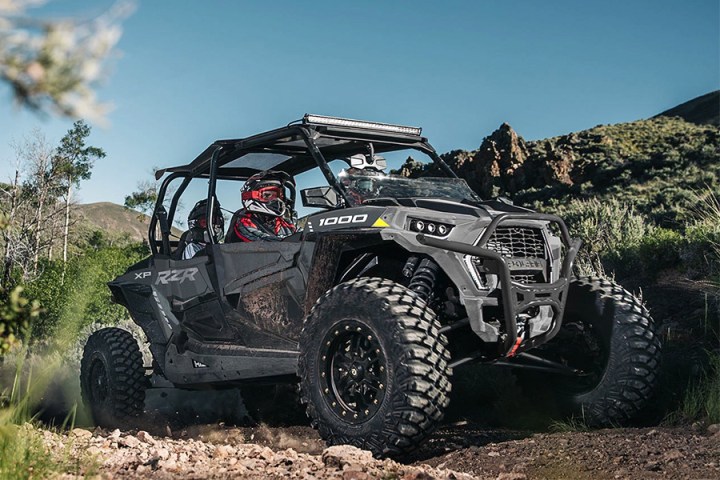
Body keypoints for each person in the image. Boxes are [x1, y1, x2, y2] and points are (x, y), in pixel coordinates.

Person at [225, 170, 297, 243]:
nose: (277, 200)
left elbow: (298, 234)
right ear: (252, 195)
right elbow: (262, 242)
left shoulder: (284, 221)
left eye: (280, 196)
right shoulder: (244, 219)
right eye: (268, 195)